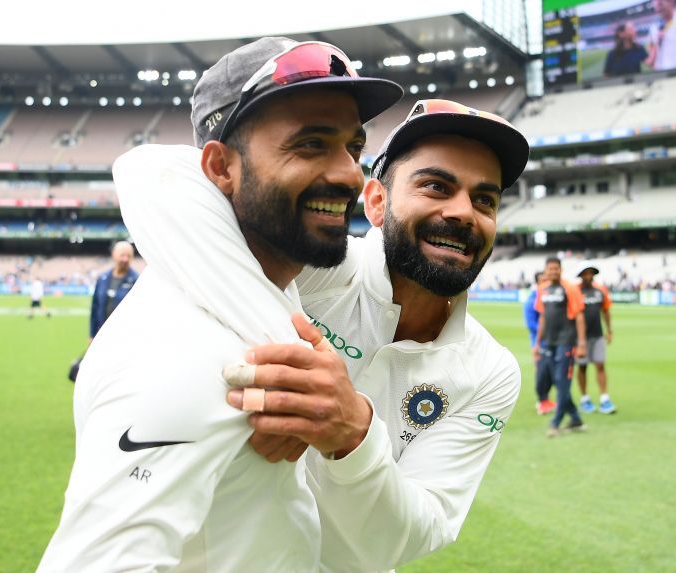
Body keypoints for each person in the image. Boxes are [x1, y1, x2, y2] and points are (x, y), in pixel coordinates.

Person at [115, 98, 529, 571]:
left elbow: (416, 535)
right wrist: (294, 388)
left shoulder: (490, 371)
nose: (463, 213)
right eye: (436, 186)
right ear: (375, 201)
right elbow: (150, 173)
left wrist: (349, 433)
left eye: (485, 200)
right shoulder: (312, 266)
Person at [38, 36, 403, 571]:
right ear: (220, 167)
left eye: (352, 146)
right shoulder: (183, 350)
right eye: (310, 144)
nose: (350, 173)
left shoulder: (255, 296)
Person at [533, 257, 587, 437]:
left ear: (561, 270)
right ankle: (575, 418)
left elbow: (579, 316)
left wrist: (581, 344)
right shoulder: (543, 289)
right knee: (552, 380)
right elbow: (542, 317)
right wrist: (537, 343)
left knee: (562, 381)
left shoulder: (570, 288)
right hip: (548, 341)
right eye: (550, 269)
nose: (553, 271)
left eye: (556, 268)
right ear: (546, 271)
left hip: (566, 341)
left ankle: (555, 423)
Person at [576, 263, 616, 414]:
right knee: (582, 367)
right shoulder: (576, 291)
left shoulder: (600, 290)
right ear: (581, 276)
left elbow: (605, 311)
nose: (588, 276)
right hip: (580, 337)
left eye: (590, 273)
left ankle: (604, 398)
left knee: (600, 365)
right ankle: (584, 398)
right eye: (585, 274)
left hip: (597, 334)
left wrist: (609, 330)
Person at [89, 240, 139, 342]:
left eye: (129, 256)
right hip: (101, 336)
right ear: (113, 255)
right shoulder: (102, 278)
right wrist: (92, 335)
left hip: (125, 338)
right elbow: (95, 308)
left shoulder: (137, 281)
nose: (125, 259)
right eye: (122, 255)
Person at [525, 270, 556, 414]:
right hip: (539, 342)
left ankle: (546, 400)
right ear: (538, 283)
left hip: (552, 341)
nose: (547, 283)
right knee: (541, 372)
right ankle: (541, 401)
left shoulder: (550, 297)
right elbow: (532, 324)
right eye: (543, 280)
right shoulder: (531, 300)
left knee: (550, 372)